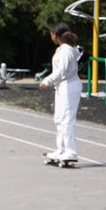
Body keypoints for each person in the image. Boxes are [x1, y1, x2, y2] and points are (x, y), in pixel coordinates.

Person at [38, 22, 83, 162]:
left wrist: (47, 80)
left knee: (67, 119)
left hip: (70, 86)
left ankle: (71, 151)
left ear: (55, 35)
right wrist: (54, 81)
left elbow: (61, 70)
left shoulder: (66, 51)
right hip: (63, 86)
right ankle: (61, 149)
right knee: (59, 118)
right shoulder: (64, 50)